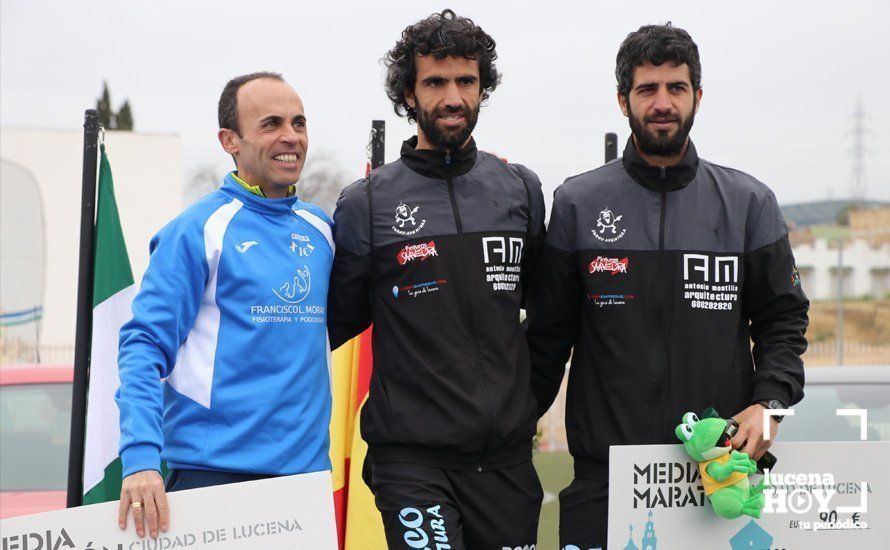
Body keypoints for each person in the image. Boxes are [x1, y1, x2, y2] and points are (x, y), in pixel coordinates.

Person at [527, 23, 809, 549]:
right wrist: (510, 426)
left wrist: (770, 403)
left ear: (697, 96)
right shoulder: (577, 203)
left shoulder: (749, 204)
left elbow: (784, 321)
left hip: (715, 476)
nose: (663, 103)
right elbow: (546, 341)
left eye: (676, 88)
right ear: (622, 100)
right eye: (647, 89)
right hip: (605, 480)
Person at [328, 9, 546, 549]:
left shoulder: (519, 188)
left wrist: (521, 406)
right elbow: (334, 326)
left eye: (466, 81)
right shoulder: (368, 203)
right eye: (435, 82)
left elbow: (549, 315)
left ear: (483, 87)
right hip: (412, 463)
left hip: (507, 465)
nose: (453, 97)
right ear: (408, 93)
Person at [115, 72, 334, 539]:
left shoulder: (323, 230)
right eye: (271, 123)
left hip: (306, 487)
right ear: (229, 140)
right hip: (214, 482)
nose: (290, 137)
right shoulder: (198, 229)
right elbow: (142, 346)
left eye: (299, 123)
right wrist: (139, 458)